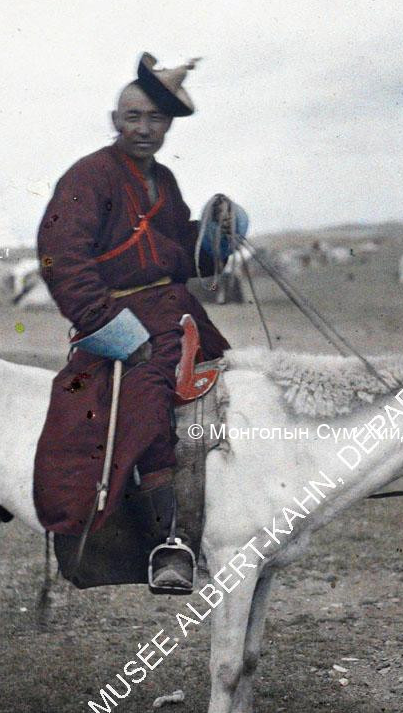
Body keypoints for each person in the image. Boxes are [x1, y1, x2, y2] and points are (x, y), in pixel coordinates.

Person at [32, 53, 247, 594]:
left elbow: (177, 253)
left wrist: (216, 235)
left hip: (177, 315)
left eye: (155, 119)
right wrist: (115, 331)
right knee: (150, 396)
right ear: (114, 119)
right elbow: (62, 258)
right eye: (133, 117)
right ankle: (168, 542)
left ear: (168, 125)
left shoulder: (165, 182)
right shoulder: (88, 176)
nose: (144, 128)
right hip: (118, 321)